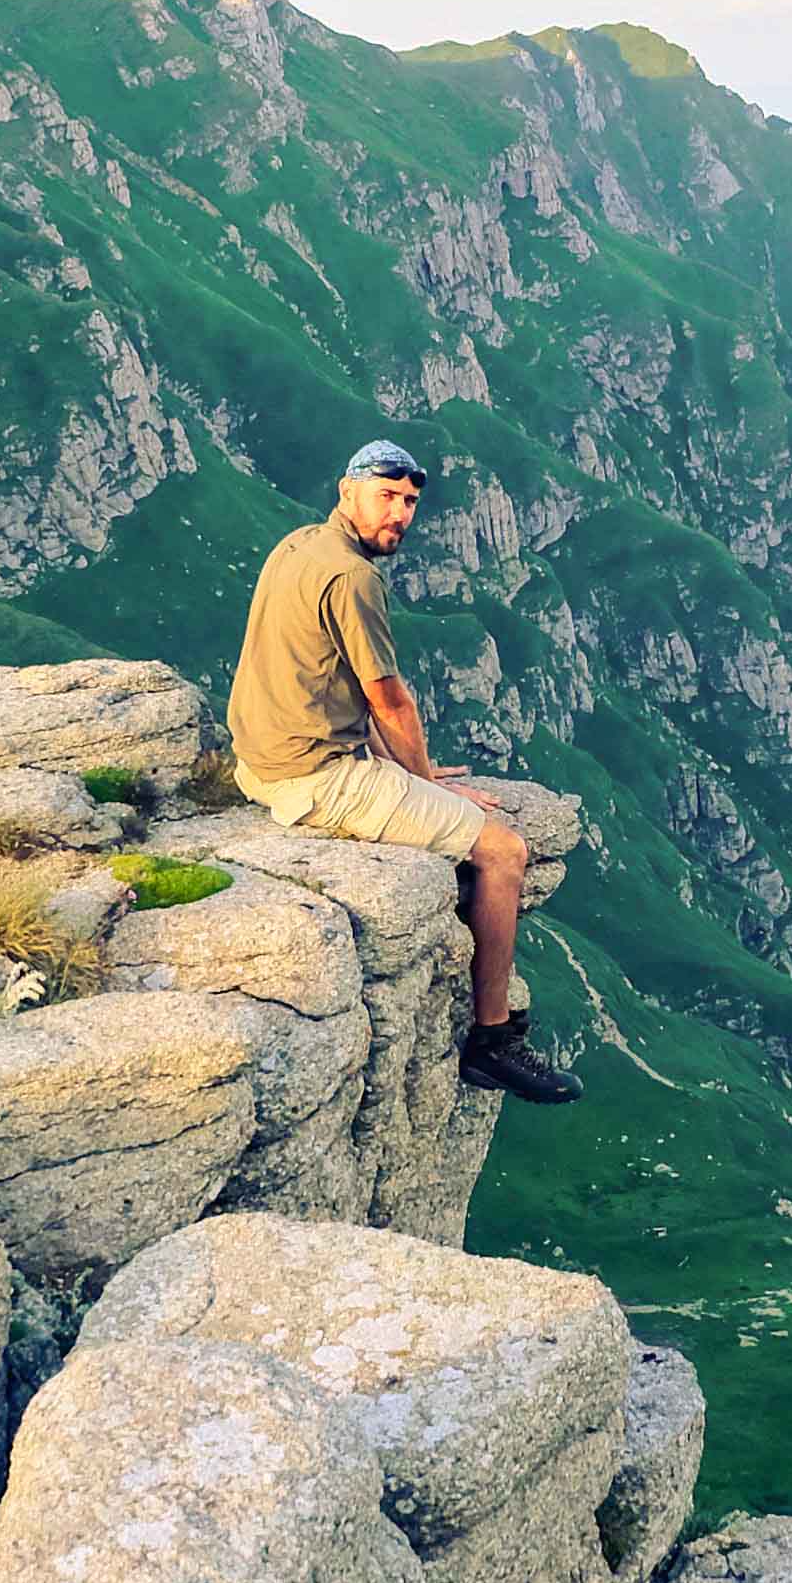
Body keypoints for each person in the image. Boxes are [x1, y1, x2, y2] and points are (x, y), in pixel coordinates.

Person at [228, 439, 580, 1103]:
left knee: (453, 812)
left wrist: (402, 769)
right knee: (504, 851)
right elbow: (389, 699)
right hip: (312, 776)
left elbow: (351, 694)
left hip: (260, 757)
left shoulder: (301, 545)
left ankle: (493, 1035)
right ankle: (494, 1041)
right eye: (386, 496)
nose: (400, 513)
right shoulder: (354, 578)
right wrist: (425, 784)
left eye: (410, 501)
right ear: (348, 490)